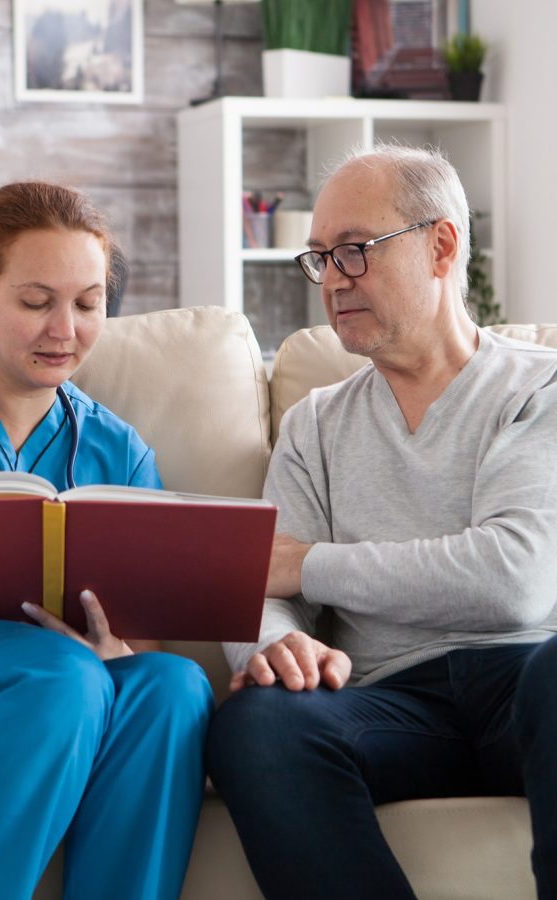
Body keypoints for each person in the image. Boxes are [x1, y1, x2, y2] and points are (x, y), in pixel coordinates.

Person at [206, 145, 557, 900]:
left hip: (529, 676)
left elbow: (515, 580)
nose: (332, 280)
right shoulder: (314, 425)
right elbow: (259, 584)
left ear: (441, 246)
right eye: (321, 258)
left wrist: (311, 564)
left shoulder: (541, 385)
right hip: (390, 702)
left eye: (354, 252)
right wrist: (274, 643)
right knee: (257, 724)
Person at [0, 181, 213, 900]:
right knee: (60, 675)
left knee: (173, 687)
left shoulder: (117, 450)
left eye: (87, 303)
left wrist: (119, 652)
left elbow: (148, 638)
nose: (63, 329)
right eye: (37, 302)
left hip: (73, 678)